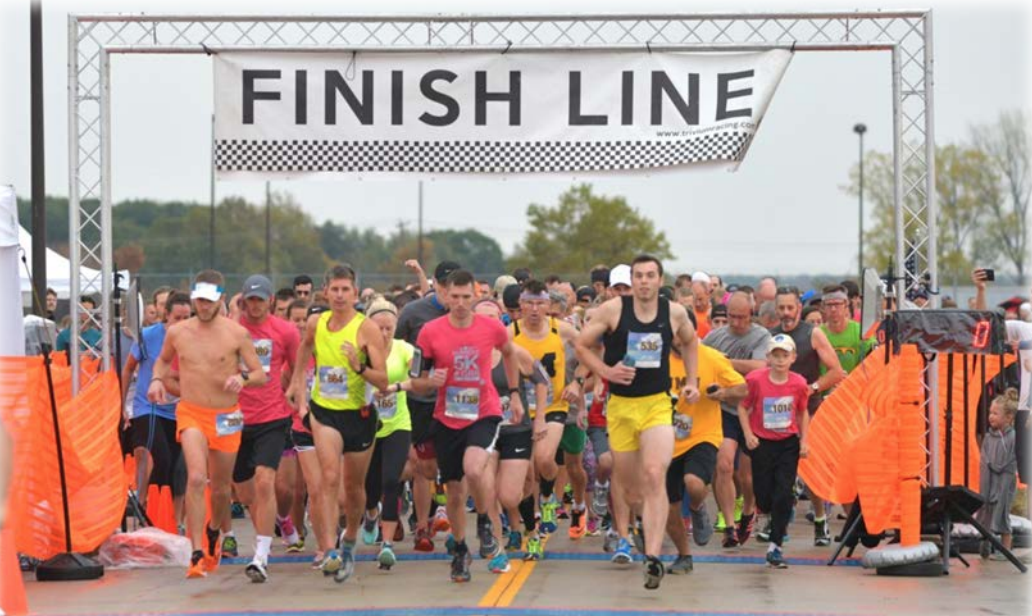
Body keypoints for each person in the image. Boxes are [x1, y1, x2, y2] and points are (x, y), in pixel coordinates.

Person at [574, 254, 700, 590]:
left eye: (650, 275)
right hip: (621, 407)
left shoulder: (673, 312)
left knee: (655, 474)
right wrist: (605, 372)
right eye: (638, 276)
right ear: (632, 281)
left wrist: (692, 380)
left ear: (660, 280)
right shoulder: (613, 311)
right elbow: (582, 344)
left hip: (657, 405)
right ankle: (645, 531)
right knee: (630, 492)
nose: (644, 281)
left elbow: (690, 341)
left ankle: (654, 557)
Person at [148, 270, 268, 579]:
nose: (203, 306)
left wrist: (241, 378)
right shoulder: (178, 332)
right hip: (192, 412)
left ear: (221, 299)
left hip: (227, 415)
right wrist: (157, 380)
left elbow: (260, 374)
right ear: (192, 297)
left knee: (222, 488)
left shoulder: (235, 334)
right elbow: (162, 361)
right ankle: (197, 551)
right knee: (197, 477)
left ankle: (215, 529)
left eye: (209, 301)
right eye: (199, 300)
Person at [413, 269, 525, 583]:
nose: (461, 303)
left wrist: (514, 394)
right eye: (455, 297)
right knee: (454, 492)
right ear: (445, 295)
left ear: (475, 296)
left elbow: (509, 355)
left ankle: (486, 525)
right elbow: (417, 380)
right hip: (447, 418)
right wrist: (429, 381)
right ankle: (461, 550)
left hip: (483, 412)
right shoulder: (429, 332)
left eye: (466, 297)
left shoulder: (491, 328)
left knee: (475, 468)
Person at [285, 264, 388, 584]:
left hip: (358, 415)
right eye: (335, 289)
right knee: (328, 477)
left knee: (353, 488)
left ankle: (351, 536)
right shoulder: (316, 322)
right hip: (324, 411)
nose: (341, 295)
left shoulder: (366, 329)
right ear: (326, 292)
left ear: (355, 294)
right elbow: (304, 350)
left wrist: (358, 366)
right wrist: (297, 387)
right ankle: (328, 549)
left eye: (346, 290)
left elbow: (383, 381)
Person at [231, 275, 300, 583]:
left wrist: (295, 394)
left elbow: (299, 368)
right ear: (242, 300)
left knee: (265, 480)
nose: (255, 305)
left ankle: (261, 556)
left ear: (271, 300)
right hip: (233, 417)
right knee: (246, 494)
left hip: (272, 416)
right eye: (250, 300)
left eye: (261, 299)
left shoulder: (285, 330)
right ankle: (271, 524)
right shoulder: (230, 330)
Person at [769, 286, 845, 546]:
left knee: (809, 468)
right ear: (776, 309)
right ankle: (778, 523)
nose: (786, 313)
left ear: (799, 308)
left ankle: (821, 520)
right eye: (782, 308)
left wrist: (810, 388)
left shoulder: (812, 334)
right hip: (777, 412)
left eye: (791, 307)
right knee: (778, 471)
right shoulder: (770, 336)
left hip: (809, 410)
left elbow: (836, 371)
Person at [664, 339, 747, 574]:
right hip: (666, 437)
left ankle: (699, 507)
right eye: (674, 335)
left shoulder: (710, 356)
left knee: (693, 482)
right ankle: (684, 555)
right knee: (671, 506)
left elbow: (743, 388)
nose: (678, 342)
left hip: (703, 434)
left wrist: (723, 393)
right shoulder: (658, 358)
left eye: (683, 335)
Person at [395, 260, 460, 552]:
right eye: (444, 285)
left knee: (453, 466)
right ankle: (422, 524)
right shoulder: (413, 312)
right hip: (420, 400)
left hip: (456, 400)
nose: (449, 293)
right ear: (434, 283)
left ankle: (451, 521)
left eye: (455, 287)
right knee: (424, 467)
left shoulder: (467, 315)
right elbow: (394, 350)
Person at [703, 292, 772, 548]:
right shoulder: (716, 337)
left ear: (751, 316)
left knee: (747, 476)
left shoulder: (761, 336)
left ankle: (748, 512)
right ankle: (729, 526)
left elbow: (761, 367)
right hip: (724, 410)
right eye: (731, 316)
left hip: (752, 411)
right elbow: (700, 357)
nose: (735, 322)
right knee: (722, 465)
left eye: (741, 317)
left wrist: (725, 363)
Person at [737, 334, 810, 569]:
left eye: (784, 356)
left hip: (788, 443)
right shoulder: (756, 380)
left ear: (793, 358)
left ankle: (775, 546)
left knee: (782, 495)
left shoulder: (798, 383)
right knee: (764, 496)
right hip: (762, 443)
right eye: (776, 355)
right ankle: (766, 511)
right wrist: (748, 434)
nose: (780, 360)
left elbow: (802, 412)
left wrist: (804, 440)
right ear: (768, 357)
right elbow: (742, 406)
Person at [121, 292, 191, 513]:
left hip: (178, 410)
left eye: (187, 317)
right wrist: (121, 405)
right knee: (161, 457)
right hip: (148, 407)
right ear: (166, 316)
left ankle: (161, 512)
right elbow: (128, 368)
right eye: (177, 318)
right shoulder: (149, 336)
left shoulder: (195, 339)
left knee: (175, 468)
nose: (182, 323)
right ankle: (144, 506)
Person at [359, 298, 416, 571]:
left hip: (398, 424)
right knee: (369, 485)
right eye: (379, 328)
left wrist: (395, 386)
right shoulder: (360, 351)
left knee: (391, 480)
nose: (384, 334)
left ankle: (388, 544)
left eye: (389, 328)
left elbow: (418, 377)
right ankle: (371, 513)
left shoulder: (405, 349)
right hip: (367, 424)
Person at [978, 389, 1020, 559]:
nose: (991, 416)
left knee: (1002, 513)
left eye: (995, 413)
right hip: (990, 480)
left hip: (1004, 481)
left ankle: (1006, 550)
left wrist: (998, 468)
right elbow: (984, 459)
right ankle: (985, 546)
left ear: (1008, 418)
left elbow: (1012, 461)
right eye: (990, 412)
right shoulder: (988, 438)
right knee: (986, 510)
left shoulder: (1013, 437)